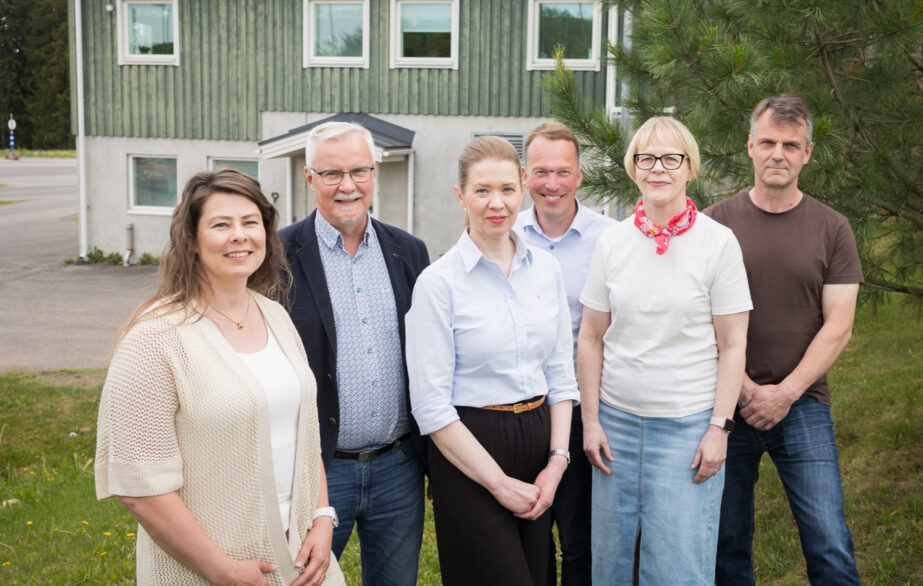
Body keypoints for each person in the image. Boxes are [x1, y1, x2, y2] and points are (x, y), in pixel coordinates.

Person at [95, 168, 344, 586]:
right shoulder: (155, 339)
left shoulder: (276, 316)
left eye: (250, 222)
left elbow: (307, 432)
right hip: (211, 571)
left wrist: (321, 517)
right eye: (220, 225)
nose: (239, 236)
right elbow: (141, 487)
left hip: (303, 563)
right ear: (191, 241)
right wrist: (221, 570)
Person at [578, 116, 751, 585]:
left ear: (690, 168)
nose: (658, 168)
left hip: (687, 430)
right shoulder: (612, 242)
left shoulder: (718, 244)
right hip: (614, 428)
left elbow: (733, 345)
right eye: (646, 158)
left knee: (678, 568)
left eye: (671, 158)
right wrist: (591, 421)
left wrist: (720, 428)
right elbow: (591, 337)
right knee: (610, 568)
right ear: (633, 168)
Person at [404, 135, 580, 585]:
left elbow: (561, 376)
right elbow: (431, 407)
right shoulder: (437, 284)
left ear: (522, 187)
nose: (495, 203)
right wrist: (498, 483)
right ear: (460, 196)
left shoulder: (546, 269)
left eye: (505, 188)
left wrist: (557, 463)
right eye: (482, 190)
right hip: (471, 449)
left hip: (540, 445)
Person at [707, 94, 862, 585]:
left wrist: (785, 394)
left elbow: (838, 324)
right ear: (750, 147)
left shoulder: (833, 228)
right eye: (769, 142)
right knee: (725, 541)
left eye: (790, 145)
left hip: (804, 404)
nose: (779, 153)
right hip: (725, 406)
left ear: (808, 153)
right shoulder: (714, 225)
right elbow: (696, 318)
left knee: (828, 539)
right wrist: (748, 390)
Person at [279, 122, 429, 585]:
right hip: (318, 471)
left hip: (398, 467)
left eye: (359, 171)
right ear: (309, 179)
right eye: (332, 174)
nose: (348, 186)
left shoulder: (409, 251)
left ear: (374, 173)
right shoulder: (277, 257)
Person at [513, 121, 615, 586]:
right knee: (529, 531)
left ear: (578, 175)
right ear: (523, 174)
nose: (551, 184)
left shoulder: (611, 240)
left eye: (562, 171)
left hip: (586, 408)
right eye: (540, 172)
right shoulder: (503, 236)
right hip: (524, 408)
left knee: (581, 538)